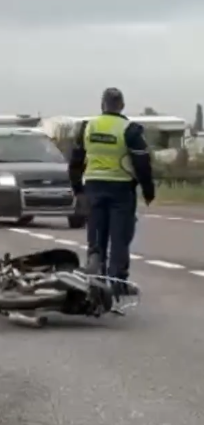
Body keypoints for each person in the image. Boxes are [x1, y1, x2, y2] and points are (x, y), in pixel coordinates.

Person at [68, 88, 154, 297]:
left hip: (94, 187)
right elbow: (142, 163)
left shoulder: (87, 127)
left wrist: (77, 188)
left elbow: (75, 161)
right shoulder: (130, 129)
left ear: (102, 105)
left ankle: (95, 278)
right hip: (121, 189)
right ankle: (117, 282)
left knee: (96, 235)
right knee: (120, 237)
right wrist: (148, 190)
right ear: (121, 105)